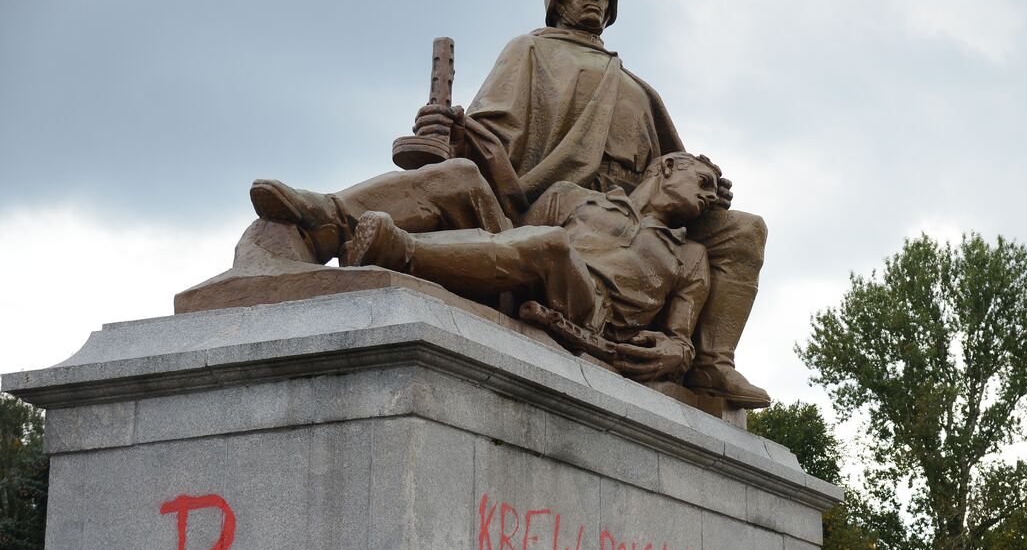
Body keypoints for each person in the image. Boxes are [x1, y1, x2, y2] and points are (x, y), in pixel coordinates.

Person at [411, 0, 771, 407]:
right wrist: (450, 130)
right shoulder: (531, 50)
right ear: (557, 0)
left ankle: (713, 364)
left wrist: (708, 189)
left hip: (637, 212)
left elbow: (670, 168)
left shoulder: (636, 85)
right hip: (560, 197)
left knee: (745, 229)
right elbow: (490, 132)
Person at [251, 152, 721, 383]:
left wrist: (677, 353)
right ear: (665, 168)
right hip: (523, 273)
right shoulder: (574, 198)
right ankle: (327, 220)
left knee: (553, 247)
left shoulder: (690, 256)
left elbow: (682, 340)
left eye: (714, 191)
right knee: (462, 174)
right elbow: (514, 236)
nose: (710, 197)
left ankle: (398, 250)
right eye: (703, 181)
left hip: (589, 310)